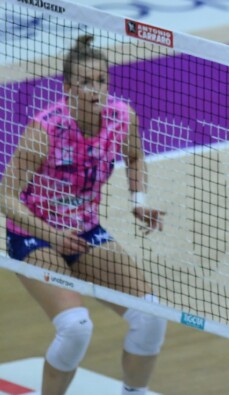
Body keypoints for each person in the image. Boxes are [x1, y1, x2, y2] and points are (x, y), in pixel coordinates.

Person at [0, 34, 168, 395]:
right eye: (85, 82)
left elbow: (135, 156)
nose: (95, 89)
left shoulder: (122, 117)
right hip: (35, 236)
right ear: (67, 88)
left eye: (101, 80)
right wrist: (53, 235)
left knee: (151, 317)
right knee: (76, 328)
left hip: (85, 231)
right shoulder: (44, 130)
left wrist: (138, 200)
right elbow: (6, 197)